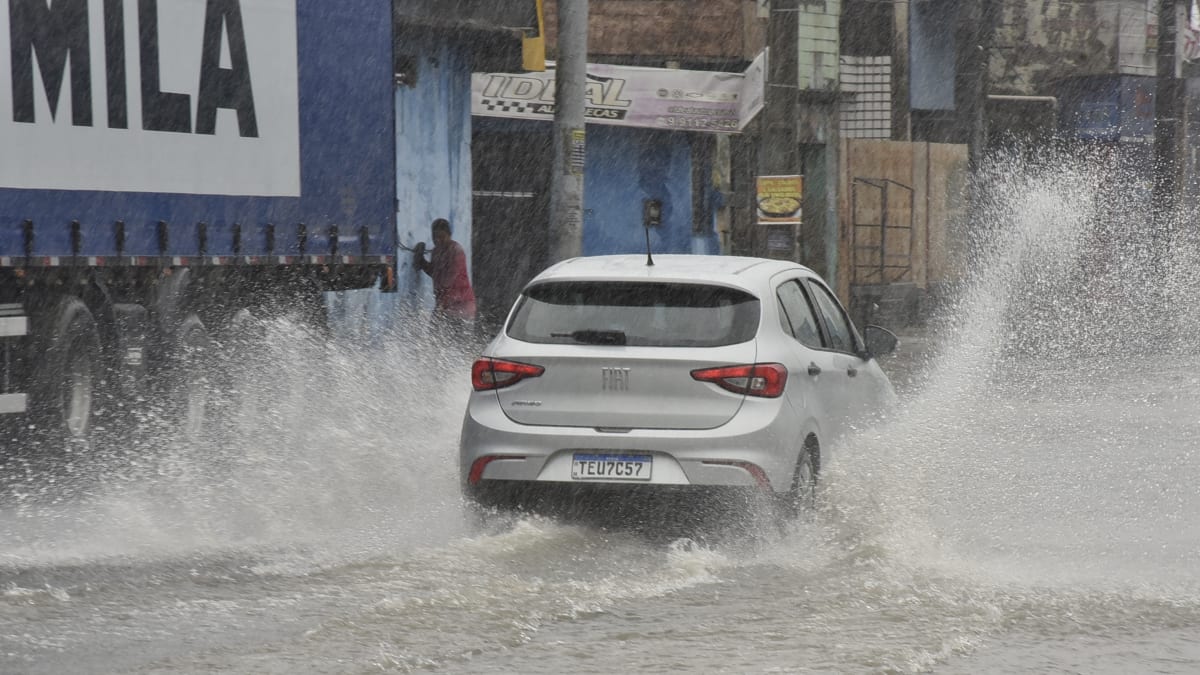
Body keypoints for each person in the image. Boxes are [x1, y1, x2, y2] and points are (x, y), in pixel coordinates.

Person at [413, 218, 476, 324]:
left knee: (453, 336)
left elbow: (451, 279)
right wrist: (421, 261)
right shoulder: (436, 251)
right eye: (435, 237)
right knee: (435, 333)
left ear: (449, 235)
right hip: (444, 305)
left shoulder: (456, 250)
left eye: (441, 237)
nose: (438, 240)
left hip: (460, 306)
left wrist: (442, 305)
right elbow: (434, 272)